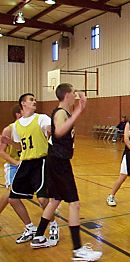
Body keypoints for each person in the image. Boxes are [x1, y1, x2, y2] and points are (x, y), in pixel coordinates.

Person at [30, 83, 102, 260]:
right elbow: (60, 131)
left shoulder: (63, 113)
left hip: (56, 160)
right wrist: (80, 109)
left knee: (54, 200)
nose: (75, 97)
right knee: (74, 203)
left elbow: (54, 131)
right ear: (67, 95)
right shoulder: (61, 112)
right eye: (74, 94)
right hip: (59, 162)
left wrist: (78, 109)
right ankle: (78, 250)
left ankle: (39, 236)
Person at [6, 93, 59, 244]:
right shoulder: (16, 125)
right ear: (23, 103)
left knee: (42, 199)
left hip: (41, 161)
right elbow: (20, 145)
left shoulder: (41, 118)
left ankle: (54, 225)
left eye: (35, 99)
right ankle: (30, 228)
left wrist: (50, 131)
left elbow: (48, 128)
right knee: (13, 199)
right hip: (25, 162)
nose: (34, 101)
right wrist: (8, 142)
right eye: (31, 99)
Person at [0, 105, 22, 215]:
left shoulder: (31, 127)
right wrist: (16, 162)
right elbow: (1, 151)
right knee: (11, 193)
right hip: (14, 165)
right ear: (18, 114)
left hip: (28, 164)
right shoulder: (9, 129)